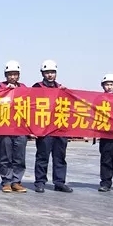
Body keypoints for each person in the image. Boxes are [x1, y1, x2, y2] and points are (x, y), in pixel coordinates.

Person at [32, 60, 72, 193]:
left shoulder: (62, 89)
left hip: (59, 128)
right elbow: (31, 108)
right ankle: (40, 182)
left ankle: (59, 182)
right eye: (47, 72)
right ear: (42, 73)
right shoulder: (36, 88)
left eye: (52, 72)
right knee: (42, 156)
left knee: (60, 157)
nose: (50, 75)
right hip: (44, 129)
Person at [0, 61, 28, 193]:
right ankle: (6, 181)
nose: (13, 77)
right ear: (5, 75)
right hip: (4, 127)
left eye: (15, 74)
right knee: (5, 156)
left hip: (20, 128)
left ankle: (16, 181)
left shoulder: (24, 88)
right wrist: (5, 91)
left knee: (19, 156)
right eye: (10, 74)